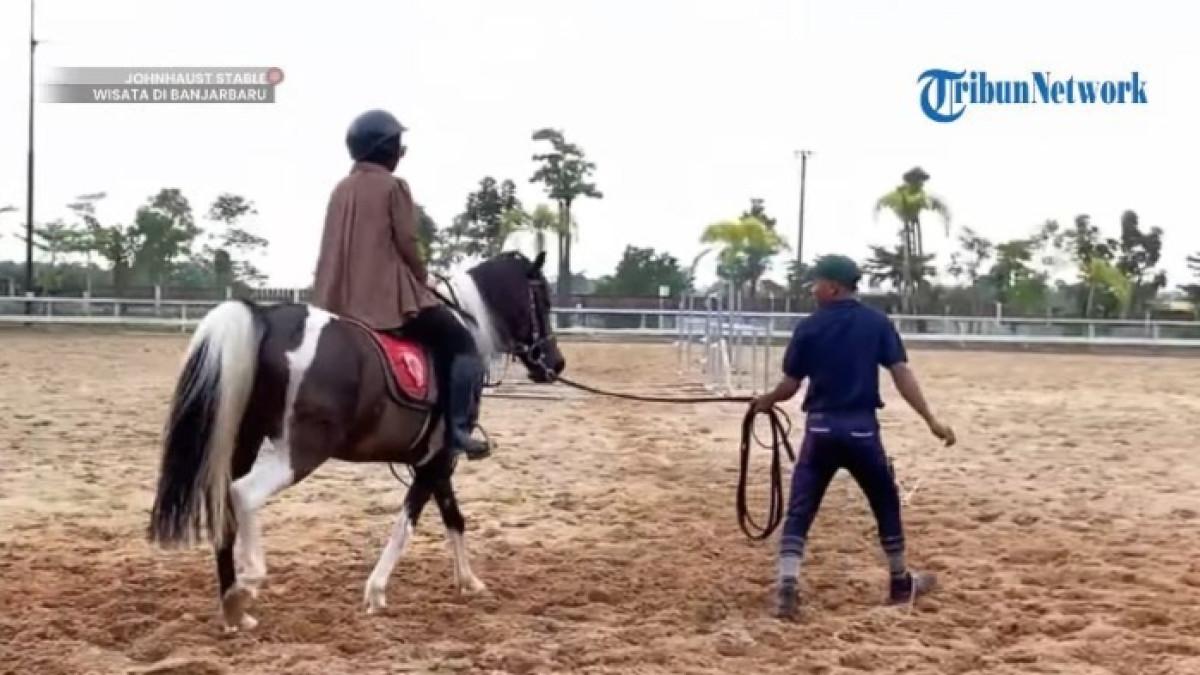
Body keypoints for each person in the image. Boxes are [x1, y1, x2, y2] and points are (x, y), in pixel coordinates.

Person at [752, 254, 956, 618]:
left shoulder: (809, 327)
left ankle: (787, 586)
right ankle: (899, 581)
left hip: (820, 430)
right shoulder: (876, 323)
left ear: (833, 287)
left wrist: (765, 401)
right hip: (862, 430)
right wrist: (931, 420)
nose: (812, 289)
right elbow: (901, 374)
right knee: (885, 502)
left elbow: (789, 386)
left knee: (800, 509)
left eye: (816, 283)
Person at [312, 108, 490, 461]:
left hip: (337, 301)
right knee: (463, 344)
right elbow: (407, 242)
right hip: (386, 300)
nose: (400, 152)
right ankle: (458, 430)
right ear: (385, 148)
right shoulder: (394, 187)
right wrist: (423, 278)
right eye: (397, 145)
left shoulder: (340, 189)